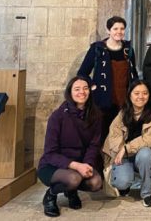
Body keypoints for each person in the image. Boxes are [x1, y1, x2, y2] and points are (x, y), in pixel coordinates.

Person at [38, 76, 102, 217]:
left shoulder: (95, 115)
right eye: (77, 89)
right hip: (53, 165)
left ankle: (71, 191)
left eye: (85, 88)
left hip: (80, 163)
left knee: (96, 182)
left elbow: (94, 145)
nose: (82, 92)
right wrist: (76, 166)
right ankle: (50, 195)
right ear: (70, 92)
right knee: (73, 179)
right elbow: (50, 153)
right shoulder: (58, 116)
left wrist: (87, 164)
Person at [102, 80, 151, 207]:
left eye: (144, 93)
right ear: (129, 95)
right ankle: (126, 182)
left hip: (142, 156)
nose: (141, 97)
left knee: (146, 154)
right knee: (122, 182)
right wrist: (121, 150)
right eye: (136, 93)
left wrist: (127, 148)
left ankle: (147, 193)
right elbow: (113, 137)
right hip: (124, 157)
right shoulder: (122, 113)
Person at [78, 16, 138, 137]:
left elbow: (133, 73)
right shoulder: (97, 49)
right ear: (108, 30)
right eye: (115, 28)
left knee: (122, 135)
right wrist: (93, 87)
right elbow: (82, 73)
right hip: (103, 102)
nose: (119, 32)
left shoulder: (128, 50)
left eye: (122, 29)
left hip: (124, 102)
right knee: (102, 134)